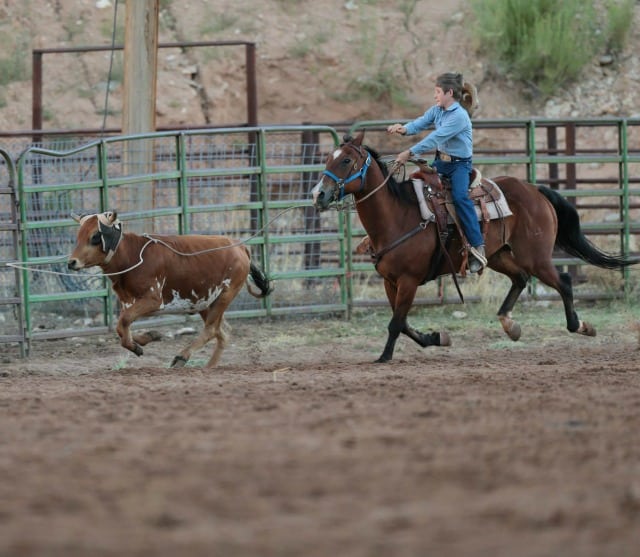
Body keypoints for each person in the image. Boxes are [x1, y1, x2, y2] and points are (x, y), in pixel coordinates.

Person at [387, 72, 487, 273]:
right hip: (441, 162)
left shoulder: (459, 116)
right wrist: (404, 129)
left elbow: (435, 137)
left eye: (438, 92)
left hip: (460, 166)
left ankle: (478, 246)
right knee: (415, 182)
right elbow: (420, 122)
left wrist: (410, 152)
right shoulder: (437, 110)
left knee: (459, 197)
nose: (435, 96)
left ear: (450, 93)